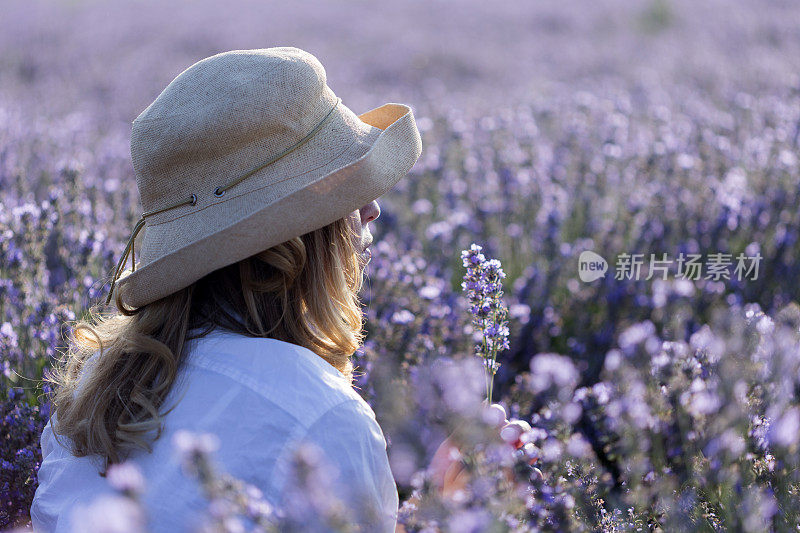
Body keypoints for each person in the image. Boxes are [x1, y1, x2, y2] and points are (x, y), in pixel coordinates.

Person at [30, 47, 424, 532]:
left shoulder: (94, 391)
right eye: (345, 188)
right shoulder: (322, 418)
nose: (372, 210)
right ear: (295, 240)